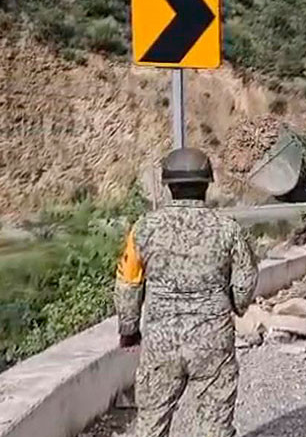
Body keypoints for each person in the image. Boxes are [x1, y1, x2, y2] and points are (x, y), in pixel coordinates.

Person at [115, 147, 258, 437]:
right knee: (215, 427)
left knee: (151, 424)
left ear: (168, 186)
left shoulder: (144, 228)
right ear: (207, 184)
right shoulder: (227, 228)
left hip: (160, 344)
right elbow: (245, 282)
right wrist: (236, 306)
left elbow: (128, 281)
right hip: (214, 341)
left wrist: (129, 328)